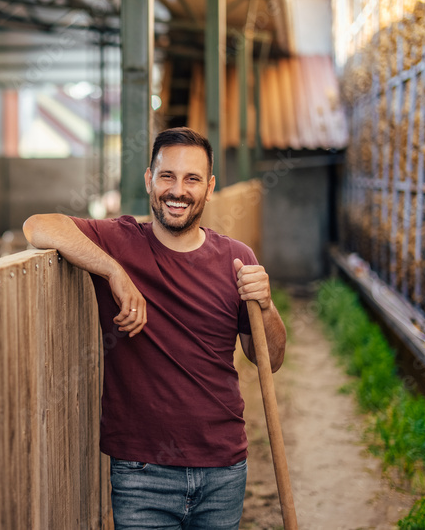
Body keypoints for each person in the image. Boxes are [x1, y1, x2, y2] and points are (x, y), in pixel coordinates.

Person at [22, 127, 286, 529]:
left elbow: (270, 358)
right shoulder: (119, 241)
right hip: (142, 474)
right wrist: (114, 271)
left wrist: (266, 306)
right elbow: (37, 226)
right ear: (149, 179)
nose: (177, 190)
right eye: (167, 176)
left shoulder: (236, 257)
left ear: (210, 187)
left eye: (192, 179)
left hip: (223, 466)